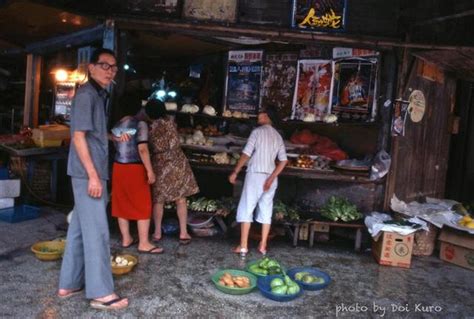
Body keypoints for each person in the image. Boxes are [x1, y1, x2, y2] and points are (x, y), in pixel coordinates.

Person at [57, 48, 129, 310]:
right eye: (104, 65)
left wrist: (111, 137)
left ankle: (69, 283)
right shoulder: (87, 95)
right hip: (88, 174)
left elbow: (90, 134)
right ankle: (101, 293)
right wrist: (93, 177)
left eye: (113, 67)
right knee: (98, 230)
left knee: (78, 229)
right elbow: (77, 137)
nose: (110, 71)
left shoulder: (98, 95)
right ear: (91, 67)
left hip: (89, 172)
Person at [228, 106, 288, 257]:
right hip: (270, 177)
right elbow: (283, 161)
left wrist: (235, 171)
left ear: (267, 116)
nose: (258, 116)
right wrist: (272, 177)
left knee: (247, 208)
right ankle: (263, 245)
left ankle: (243, 246)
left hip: (255, 175)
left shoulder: (257, 132)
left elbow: (246, 154)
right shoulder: (278, 136)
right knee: (266, 210)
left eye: (261, 113)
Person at [111, 95, 163, 254]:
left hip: (119, 166)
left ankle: (126, 238)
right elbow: (142, 149)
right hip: (135, 168)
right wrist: (150, 170)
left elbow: (114, 141)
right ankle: (144, 243)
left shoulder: (119, 123)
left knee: (122, 202)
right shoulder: (141, 124)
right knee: (143, 204)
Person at [145, 99, 199, 245]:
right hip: (177, 161)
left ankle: (157, 232)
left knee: (159, 200)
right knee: (180, 199)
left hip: (160, 163)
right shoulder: (170, 122)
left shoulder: (150, 127)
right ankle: (183, 232)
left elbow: (148, 146)